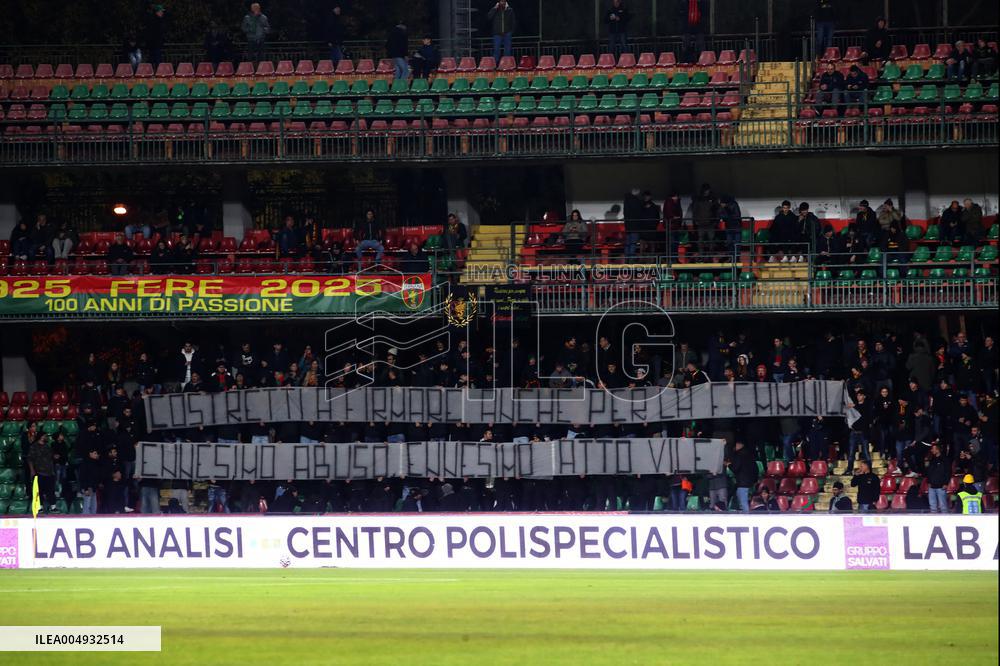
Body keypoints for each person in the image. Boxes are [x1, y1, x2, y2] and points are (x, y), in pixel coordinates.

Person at [729, 440, 757, 513]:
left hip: (742, 482)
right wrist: (754, 480)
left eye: (736, 445)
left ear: (739, 445)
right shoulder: (750, 455)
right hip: (749, 482)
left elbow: (736, 468)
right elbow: (755, 468)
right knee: (742, 500)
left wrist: (729, 465)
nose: (735, 447)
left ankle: (747, 519)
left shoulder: (739, 455)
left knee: (743, 503)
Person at [925, 443, 950, 513]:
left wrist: (946, 483)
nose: (932, 450)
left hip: (941, 486)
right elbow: (928, 472)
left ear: (938, 450)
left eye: (933, 448)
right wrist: (929, 481)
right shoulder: (931, 459)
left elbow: (948, 472)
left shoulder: (945, 459)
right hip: (931, 487)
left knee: (943, 506)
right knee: (932, 506)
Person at [146, 4, 167, 69]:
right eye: (161, 11)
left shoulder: (158, 20)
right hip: (155, 44)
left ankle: (154, 73)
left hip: (156, 44)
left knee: (155, 60)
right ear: (157, 12)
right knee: (156, 61)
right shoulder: (155, 21)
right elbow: (155, 33)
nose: (162, 13)